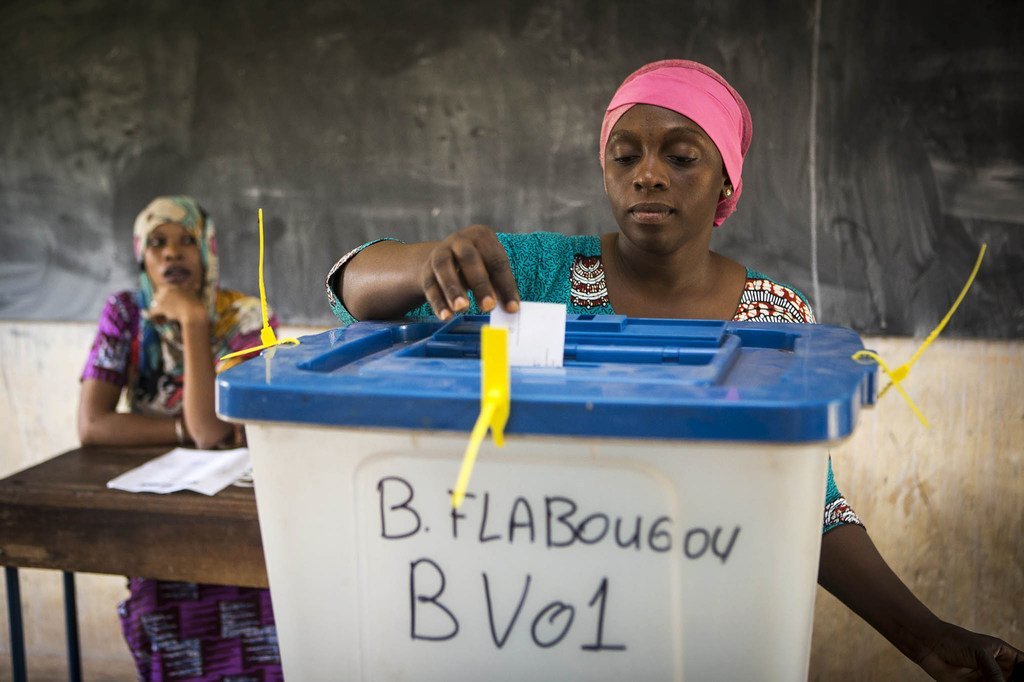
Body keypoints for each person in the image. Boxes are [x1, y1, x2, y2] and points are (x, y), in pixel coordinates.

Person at [324, 60, 1024, 680]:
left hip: (699, 630)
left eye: (682, 156)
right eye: (624, 156)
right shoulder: (536, 273)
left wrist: (927, 639)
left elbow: (806, 499)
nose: (648, 174)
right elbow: (351, 289)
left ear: (726, 182)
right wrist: (428, 261)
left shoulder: (773, 317)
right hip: (540, 619)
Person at [79, 196, 283, 680]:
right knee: (165, 628)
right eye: (157, 243)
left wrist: (193, 320)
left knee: (256, 632)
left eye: (187, 241)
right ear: (141, 256)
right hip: (156, 500)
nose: (172, 253)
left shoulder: (247, 316)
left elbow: (208, 433)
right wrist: (179, 430)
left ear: (207, 250)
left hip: (235, 506)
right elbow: (92, 426)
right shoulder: (125, 314)